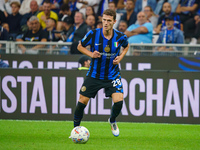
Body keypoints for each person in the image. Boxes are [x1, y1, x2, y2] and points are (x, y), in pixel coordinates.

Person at [73, 9, 129, 137]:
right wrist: (91, 54)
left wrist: (120, 57)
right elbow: (79, 46)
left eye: (109, 20)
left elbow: (126, 46)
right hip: (94, 75)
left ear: (114, 21)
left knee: (119, 101)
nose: (106, 23)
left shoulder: (120, 37)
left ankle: (112, 120)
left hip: (112, 74)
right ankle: (76, 129)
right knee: (82, 101)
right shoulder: (93, 34)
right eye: (104, 20)